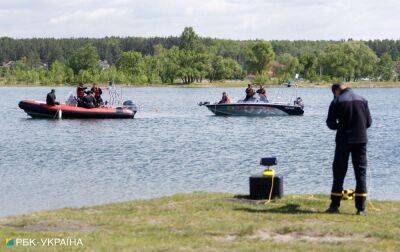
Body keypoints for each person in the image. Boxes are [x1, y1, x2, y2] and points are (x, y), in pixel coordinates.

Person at [325, 83, 372, 215]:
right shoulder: (363, 100)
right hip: (360, 140)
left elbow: (330, 123)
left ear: (336, 91)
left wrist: (340, 126)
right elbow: (368, 122)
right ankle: (361, 209)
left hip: (343, 141)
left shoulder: (337, 101)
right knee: (360, 174)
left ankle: (334, 206)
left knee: (339, 173)